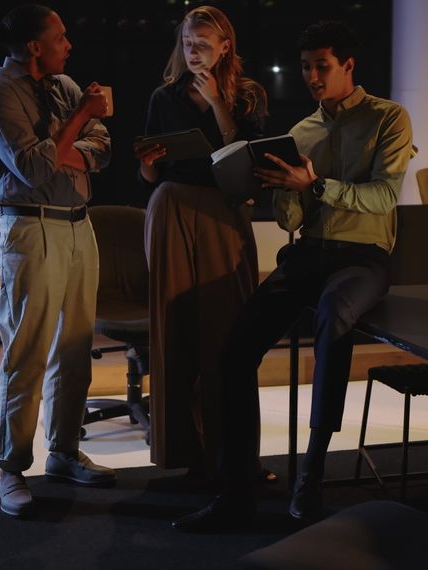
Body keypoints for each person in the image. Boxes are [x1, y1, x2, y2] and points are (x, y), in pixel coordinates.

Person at [173, 20, 413, 531]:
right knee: (234, 354)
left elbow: (384, 198)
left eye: (321, 66)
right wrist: (281, 190)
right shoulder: (301, 132)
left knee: (334, 314)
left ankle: (312, 473)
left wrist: (316, 183)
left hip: (363, 257)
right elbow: (292, 223)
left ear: (348, 65)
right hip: (308, 254)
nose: (311, 76)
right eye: (305, 67)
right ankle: (235, 491)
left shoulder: (388, 118)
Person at [0, 4, 115, 518]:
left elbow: (102, 149)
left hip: (79, 222)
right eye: (60, 37)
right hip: (28, 225)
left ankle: (62, 451)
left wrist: (69, 141)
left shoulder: (65, 84)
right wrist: (78, 123)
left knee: (75, 349)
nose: (68, 45)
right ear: (35, 46)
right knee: (27, 350)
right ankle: (11, 469)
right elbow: (33, 168)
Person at [133, 6, 269, 480]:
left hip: (223, 213)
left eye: (203, 44)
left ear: (225, 46)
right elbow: (150, 174)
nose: (193, 53)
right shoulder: (164, 96)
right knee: (177, 333)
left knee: (228, 334)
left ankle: (234, 456)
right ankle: (186, 455)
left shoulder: (246, 95)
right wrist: (148, 162)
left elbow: (247, 162)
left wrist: (216, 103)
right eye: (188, 44)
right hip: (170, 208)